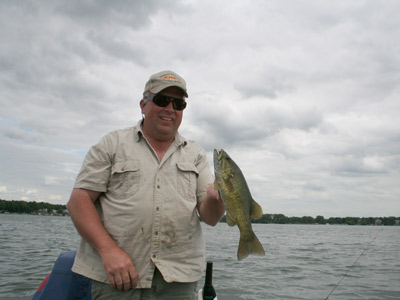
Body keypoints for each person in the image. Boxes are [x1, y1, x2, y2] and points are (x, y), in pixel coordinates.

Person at [66, 70, 225, 300]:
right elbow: (78, 202)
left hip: (179, 278)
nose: (170, 109)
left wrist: (215, 198)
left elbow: (210, 218)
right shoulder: (112, 144)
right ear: (143, 104)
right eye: (162, 100)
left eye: (179, 104)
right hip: (118, 278)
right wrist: (109, 252)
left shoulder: (196, 154)